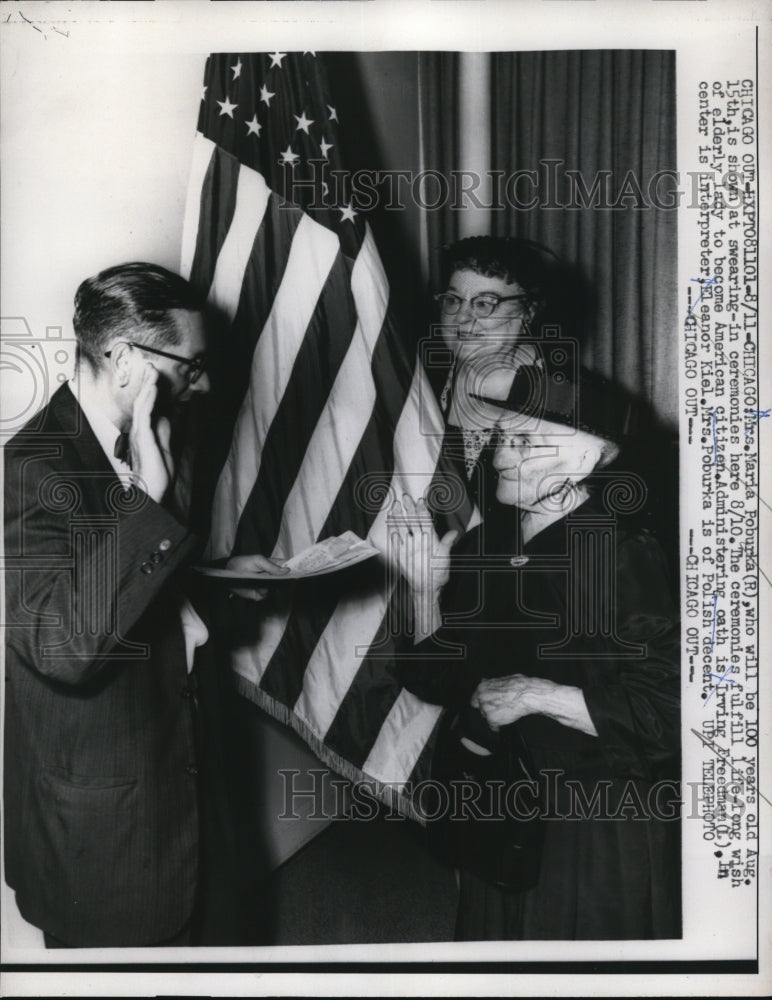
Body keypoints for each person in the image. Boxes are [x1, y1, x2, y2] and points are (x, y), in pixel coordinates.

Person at [3, 262, 286, 948]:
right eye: (191, 366)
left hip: (183, 768)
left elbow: (135, 586)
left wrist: (210, 582)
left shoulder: (153, 434)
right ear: (128, 359)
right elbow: (61, 645)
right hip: (106, 821)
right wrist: (150, 502)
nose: (206, 383)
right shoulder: (32, 468)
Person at [390, 360, 681, 940]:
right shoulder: (485, 542)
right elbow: (434, 679)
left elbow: (671, 713)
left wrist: (541, 696)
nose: (499, 457)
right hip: (497, 795)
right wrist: (426, 593)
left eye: (524, 443)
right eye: (502, 438)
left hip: (591, 816)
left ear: (584, 460)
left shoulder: (623, 554)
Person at [433, 236, 562, 519]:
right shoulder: (420, 383)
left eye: (485, 304)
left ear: (528, 311)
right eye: (453, 300)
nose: (463, 318)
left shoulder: (563, 396)